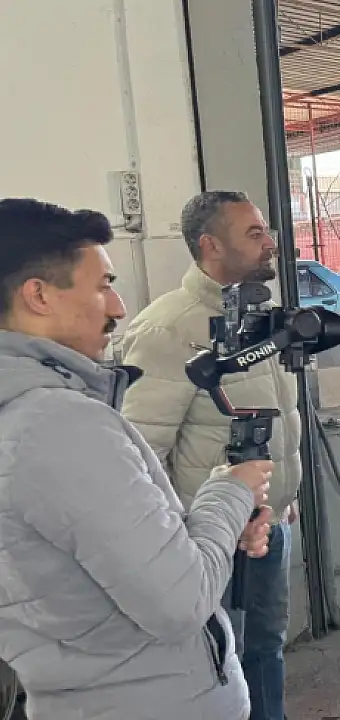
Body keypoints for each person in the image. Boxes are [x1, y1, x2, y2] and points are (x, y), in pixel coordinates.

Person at [0, 198, 273, 719]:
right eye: (103, 285)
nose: (118, 307)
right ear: (39, 296)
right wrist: (230, 490)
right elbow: (180, 602)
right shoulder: (58, 425)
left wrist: (214, 525)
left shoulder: (27, 417)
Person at [120, 191, 299, 720]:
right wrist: (187, 535)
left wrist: (283, 498)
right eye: (254, 233)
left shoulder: (258, 320)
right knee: (220, 662)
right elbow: (142, 453)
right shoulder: (169, 329)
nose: (270, 243)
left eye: (266, 231)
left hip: (269, 525)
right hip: (211, 539)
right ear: (210, 245)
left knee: (266, 647)